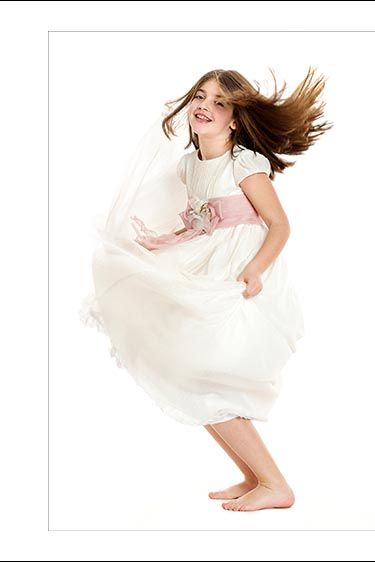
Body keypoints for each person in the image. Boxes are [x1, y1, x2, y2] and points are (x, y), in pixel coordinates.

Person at [80, 67, 333, 512]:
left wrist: (255, 269)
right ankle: (254, 476)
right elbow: (202, 219)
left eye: (220, 102)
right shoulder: (189, 164)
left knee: (205, 375)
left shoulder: (243, 163)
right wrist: (165, 240)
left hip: (235, 271)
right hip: (206, 261)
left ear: (235, 119)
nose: (205, 106)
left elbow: (278, 224)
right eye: (201, 96)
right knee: (193, 373)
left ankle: (275, 483)